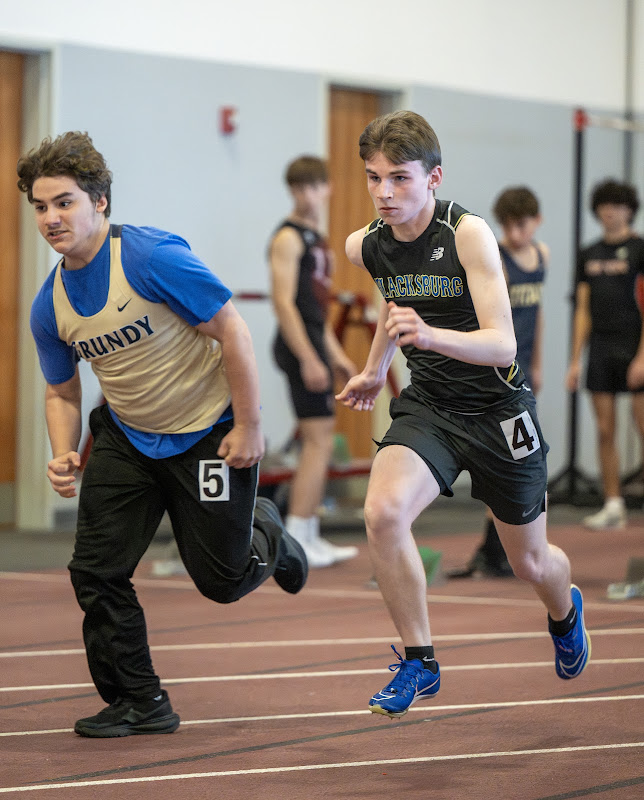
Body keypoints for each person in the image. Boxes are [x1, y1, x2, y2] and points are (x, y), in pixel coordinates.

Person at [17, 131, 307, 738]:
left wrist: (250, 425)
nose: (50, 218)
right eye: (40, 207)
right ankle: (139, 700)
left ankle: (269, 534)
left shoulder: (150, 258)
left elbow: (233, 331)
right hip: (128, 438)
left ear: (100, 201)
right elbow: (61, 391)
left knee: (222, 582)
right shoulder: (51, 305)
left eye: (64, 202)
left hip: (209, 433)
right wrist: (63, 452)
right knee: (95, 571)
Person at [336, 110, 590, 719]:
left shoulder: (468, 234)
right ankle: (419, 660)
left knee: (530, 562)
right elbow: (396, 306)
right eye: (373, 177)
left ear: (434, 178)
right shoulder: (365, 245)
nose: (384, 192)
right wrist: (374, 368)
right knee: (383, 512)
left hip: (500, 410)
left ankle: (565, 612)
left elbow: (503, 345)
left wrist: (429, 336)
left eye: (399, 178)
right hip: (432, 406)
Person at [450, 186, 549, 578]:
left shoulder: (542, 255)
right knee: (510, 455)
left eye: (522, 225)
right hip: (500, 374)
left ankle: (500, 546)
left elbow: (537, 313)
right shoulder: (499, 260)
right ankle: (496, 547)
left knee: (523, 455)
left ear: (537, 221)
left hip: (524, 369)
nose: (514, 234)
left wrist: (537, 363)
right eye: (507, 226)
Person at [269, 155, 358, 568]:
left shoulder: (319, 241)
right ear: (292, 191)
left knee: (319, 442)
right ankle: (298, 536)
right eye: (299, 188)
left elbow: (317, 312)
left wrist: (337, 357)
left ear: (327, 189)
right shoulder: (287, 239)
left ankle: (308, 532)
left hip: (314, 342)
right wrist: (308, 358)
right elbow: (284, 304)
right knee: (317, 442)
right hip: (297, 346)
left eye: (314, 187)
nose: (308, 195)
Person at [566, 179, 644, 529]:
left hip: (634, 346)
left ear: (630, 210)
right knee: (604, 429)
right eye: (604, 205)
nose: (609, 212)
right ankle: (613, 504)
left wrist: (642, 357)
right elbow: (582, 310)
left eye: (617, 205)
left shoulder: (640, 249)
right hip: (600, 348)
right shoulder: (589, 253)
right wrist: (574, 360)